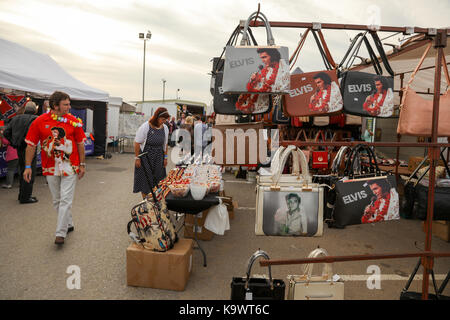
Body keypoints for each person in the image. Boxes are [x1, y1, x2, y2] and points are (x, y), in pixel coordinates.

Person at [24, 91, 86, 245]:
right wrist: (27, 166)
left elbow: (80, 144)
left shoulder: (74, 122)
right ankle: (68, 223)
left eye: (69, 103)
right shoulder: (39, 121)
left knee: (65, 200)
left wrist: (82, 164)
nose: (69, 107)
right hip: (50, 167)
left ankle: (60, 233)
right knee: (57, 200)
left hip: (70, 167)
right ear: (55, 105)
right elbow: (31, 144)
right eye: (66, 104)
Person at [3, 101, 39, 203]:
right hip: (30, 147)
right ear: (35, 110)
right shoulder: (35, 119)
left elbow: (6, 132)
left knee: (22, 170)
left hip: (19, 147)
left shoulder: (15, 118)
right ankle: (25, 197)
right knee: (29, 171)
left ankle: (22, 195)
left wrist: (13, 142)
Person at [236, 48, 290, 113]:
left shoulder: (283, 68)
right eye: (261, 58)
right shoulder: (266, 70)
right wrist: (253, 81)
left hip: (275, 107)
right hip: (261, 107)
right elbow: (256, 88)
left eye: (264, 57)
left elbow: (283, 89)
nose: (262, 60)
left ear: (273, 56)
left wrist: (268, 89)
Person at [134, 107, 170, 199]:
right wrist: (137, 158)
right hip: (146, 157)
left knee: (159, 179)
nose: (164, 121)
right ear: (157, 117)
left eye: (165, 119)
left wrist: (165, 157)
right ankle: (146, 202)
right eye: (163, 119)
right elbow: (137, 142)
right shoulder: (146, 126)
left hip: (159, 157)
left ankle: (156, 200)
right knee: (146, 180)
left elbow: (165, 144)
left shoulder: (165, 128)